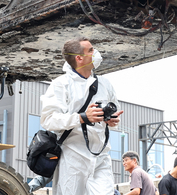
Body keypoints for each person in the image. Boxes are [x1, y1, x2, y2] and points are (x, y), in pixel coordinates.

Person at [38, 37, 124, 195]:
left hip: (100, 157)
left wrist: (112, 120)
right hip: (72, 158)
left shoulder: (105, 84)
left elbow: (115, 112)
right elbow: (48, 120)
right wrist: (82, 117)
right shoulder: (61, 84)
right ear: (79, 58)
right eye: (91, 50)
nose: (96, 52)